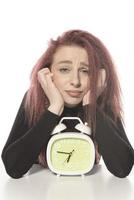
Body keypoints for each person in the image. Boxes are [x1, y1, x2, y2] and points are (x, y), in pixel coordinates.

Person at [1, 29, 134, 179]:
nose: (75, 81)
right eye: (64, 69)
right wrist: (54, 109)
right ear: (48, 72)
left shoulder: (100, 102)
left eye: (86, 71)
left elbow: (122, 169)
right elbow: (13, 168)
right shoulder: (33, 98)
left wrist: (91, 107)